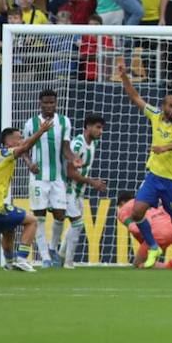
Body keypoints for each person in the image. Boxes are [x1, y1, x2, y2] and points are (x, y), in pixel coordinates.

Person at [116, 57, 172, 270]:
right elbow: (135, 97)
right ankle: (152, 246)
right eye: (171, 106)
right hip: (154, 176)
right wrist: (124, 76)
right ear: (163, 107)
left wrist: (164, 148)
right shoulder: (155, 115)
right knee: (137, 213)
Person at [0, 116, 56, 272]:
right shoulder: (8, 153)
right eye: (19, 138)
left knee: (8, 230)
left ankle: (9, 264)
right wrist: (40, 131)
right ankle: (22, 258)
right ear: (9, 142)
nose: (22, 141)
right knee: (32, 221)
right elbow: (24, 148)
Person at [21, 88, 75, 267]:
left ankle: (52, 247)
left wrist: (74, 159)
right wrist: (29, 164)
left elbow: (66, 148)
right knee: (39, 216)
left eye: (52, 102)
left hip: (57, 177)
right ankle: (44, 258)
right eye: (46, 102)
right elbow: (24, 150)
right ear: (40, 103)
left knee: (60, 214)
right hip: (38, 178)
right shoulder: (31, 124)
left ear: (56, 103)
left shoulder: (64, 121)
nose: (49, 105)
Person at [60, 113, 107, 268]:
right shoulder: (77, 144)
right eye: (98, 128)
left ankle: (60, 255)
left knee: (75, 224)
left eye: (102, 128)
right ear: (87, 127)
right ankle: (68, 262)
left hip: (79, 191)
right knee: (78, 223)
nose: (101, 131)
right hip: (68, 189)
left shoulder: (94, 143)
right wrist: (92, 182)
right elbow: (69, 172)